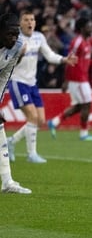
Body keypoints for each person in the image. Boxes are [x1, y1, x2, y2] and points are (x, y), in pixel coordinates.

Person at [7, 10, 77, 163]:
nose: (30, 22)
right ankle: (31, 154)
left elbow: (50, 55)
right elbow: (8, 63)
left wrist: (64, 59)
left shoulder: (39, 37)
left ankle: (11, 142)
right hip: (18, 82)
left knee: (40, 120)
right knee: (32, 117)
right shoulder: (14, 39)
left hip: (32, 83)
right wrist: (19, 55)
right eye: (26, 20)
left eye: (32, 19)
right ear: (20, 23)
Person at [46, 17, 92, 141]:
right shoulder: (77, 42)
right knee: (87, 104)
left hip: (83, 77)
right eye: (88, 26)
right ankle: (84, 134)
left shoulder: (89, 41)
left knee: (80, 106)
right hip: (77, 78)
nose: (91, 28)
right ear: (82, 28)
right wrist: (66, 80)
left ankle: (55, 122)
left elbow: (89, 57)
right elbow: (70, 59)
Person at [0, 13, 32, 194]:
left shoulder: (17, 46)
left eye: (16, 34)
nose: (14, 38)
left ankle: (7, 182)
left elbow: (4, 76)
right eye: (9, 34)